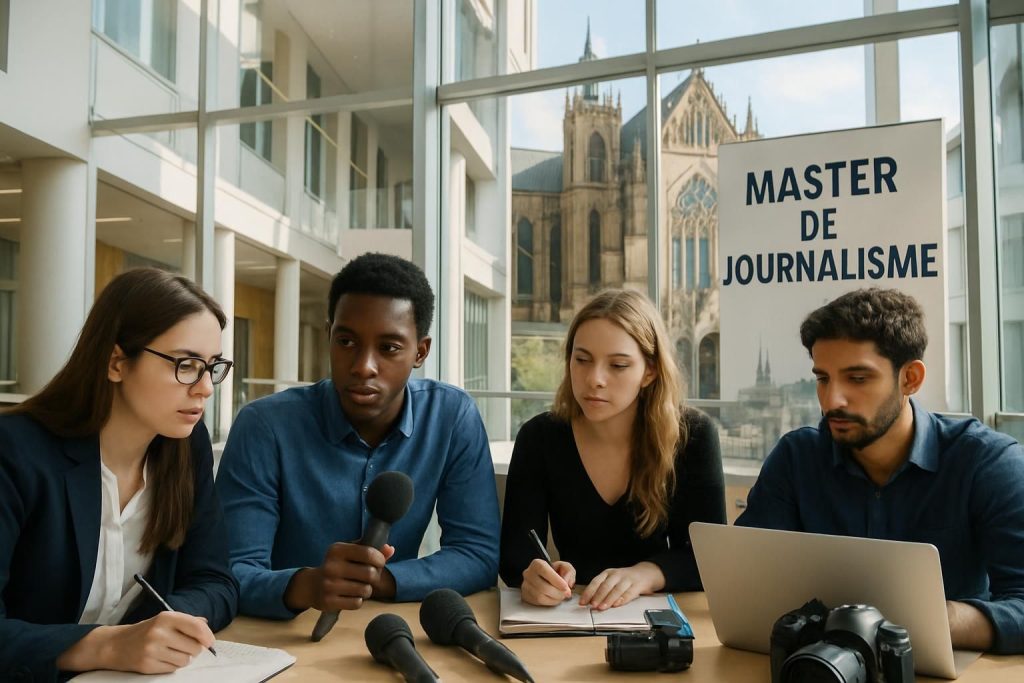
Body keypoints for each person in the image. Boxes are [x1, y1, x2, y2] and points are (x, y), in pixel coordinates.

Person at [736, 288, 1024, 654]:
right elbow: (747, 585)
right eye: (822, 378)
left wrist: (927, 623)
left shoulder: (987, 463)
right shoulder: (796, 457)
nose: (832, 400)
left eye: (857, 378)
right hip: (819, 666)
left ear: (910, 379)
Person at [217, 252, 500, 620]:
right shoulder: (263, 426)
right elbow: (227, 572)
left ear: (421, 352)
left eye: (389, 348)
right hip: (278, 639)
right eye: (347, 341)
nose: (363, 365)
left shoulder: (452, 416)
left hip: (389, 629)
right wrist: (308, 585)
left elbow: (477, 552)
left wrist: (382, 580)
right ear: (329, 336)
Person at [0, 268, 239, 681]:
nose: (205, 388)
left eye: (212, 366)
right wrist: (109, 645)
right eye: (186, 365)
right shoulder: (15, 452)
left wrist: (160, 629)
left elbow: (215, 580)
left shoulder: (185, 444)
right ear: (116, 362)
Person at [499, 289, 726, 609]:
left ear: (649, 371)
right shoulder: (539, 437)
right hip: (571, 612)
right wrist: (536, 576)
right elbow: (514, 558)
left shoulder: (694, 435)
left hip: (657, 617)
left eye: (618, 365)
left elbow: (709, 560)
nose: (594, 379)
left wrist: (647, 574)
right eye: (582, 360)